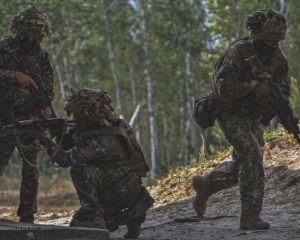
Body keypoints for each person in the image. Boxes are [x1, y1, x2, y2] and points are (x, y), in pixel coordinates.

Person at [193, 7, 294, 230]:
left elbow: (284, 88)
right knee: (252, 156)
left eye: (278, 41)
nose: (275, 45)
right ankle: (250, 217)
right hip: (230, 113)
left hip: (254, 117)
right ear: (259, 36)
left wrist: (277, 104)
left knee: (245, 164)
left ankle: (206, 185)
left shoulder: (278, 57)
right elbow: (221, 89)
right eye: (270, 41)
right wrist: (253, 86)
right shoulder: (237, 53)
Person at [29, 87, 154, 239]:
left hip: (120, 191)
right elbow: (67, 142)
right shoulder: (105, 125)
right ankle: (130, 220)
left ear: (91, 115)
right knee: (76, 227)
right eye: (74, 114)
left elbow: (65, 160)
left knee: (79, 169)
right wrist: (54, 123)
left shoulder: (102, 138)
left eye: (79, 115)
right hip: (125, 186)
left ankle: (98, 220)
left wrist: (43, 138)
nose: (75, 118)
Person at [0, 6, 57, 223]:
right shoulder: (4, 48)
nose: (35, 41)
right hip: (3, 118)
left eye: (39, 37)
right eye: (31, 36)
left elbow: (48, 86)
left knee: (32, 170)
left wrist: (46, 107)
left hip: (30, 121)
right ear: (21, 31)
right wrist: (13, 75)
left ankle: (27, 216)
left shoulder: (42, 55)